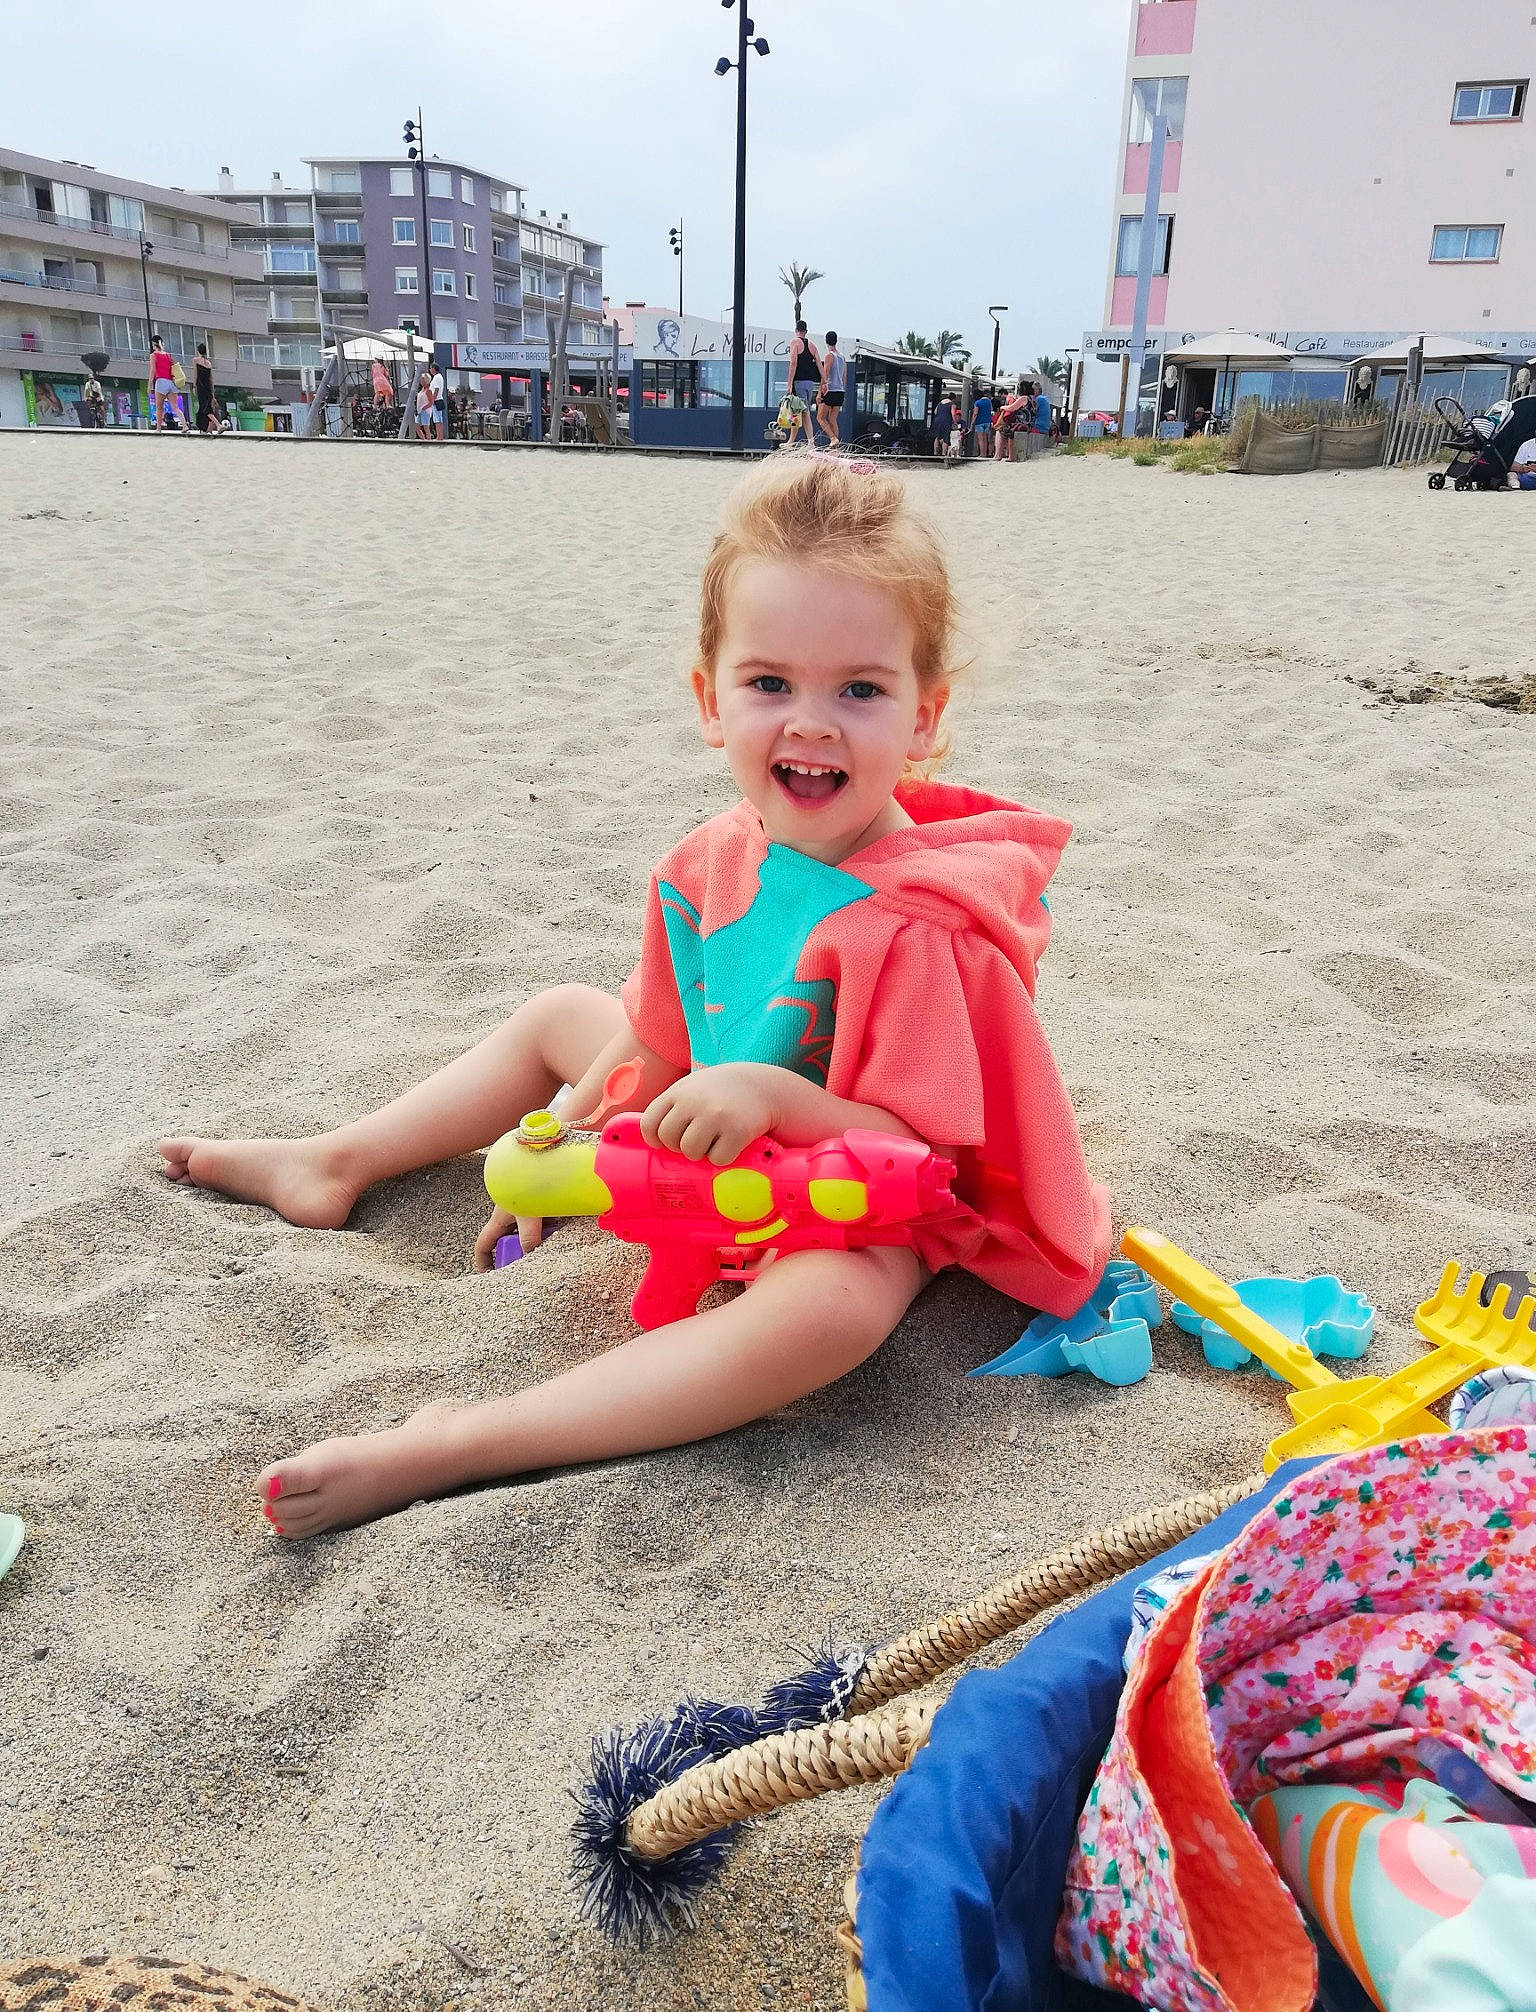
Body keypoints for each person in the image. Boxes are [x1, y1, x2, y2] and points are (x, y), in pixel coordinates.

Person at [159, 454, 1111, 1538]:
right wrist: (559, 1151)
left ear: (924, 718)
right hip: (708, 1132)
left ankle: (466, 1440)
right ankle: (338, 1159)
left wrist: (780, 1099)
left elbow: (924, 1155)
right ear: (711, 700)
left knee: (838, 1309)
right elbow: (653, 1048)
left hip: (852, 1192)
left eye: (860, 688)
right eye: (770, 683)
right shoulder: (704, 861)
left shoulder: (919, 923)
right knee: (561, 1014)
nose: (810, 722)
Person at [787, 321, 821, 445]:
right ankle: (791, 441)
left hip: (799, 381)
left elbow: (793, 363)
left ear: (796, 330)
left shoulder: (794, 342)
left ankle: (811, 442)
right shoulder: (812, 345)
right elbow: (818, 363)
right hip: (810, 382)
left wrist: (789, 382)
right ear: (806, 331)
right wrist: (824, 381)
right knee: (797, 410)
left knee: (804, 411)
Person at [148, 334, 185, 433]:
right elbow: (173, 367)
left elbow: (153, 370)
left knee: (159, 407)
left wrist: (150, 384)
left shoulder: (153, 355)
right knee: (175, 407)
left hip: (161, 382)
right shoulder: (167, 355)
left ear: (153, 344)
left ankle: (159, 428)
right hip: (171, 382)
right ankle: (185, 425)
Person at [817, 330, 847, 449]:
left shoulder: (829, 356)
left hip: (830, 391)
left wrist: (819, 392)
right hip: (840, 391)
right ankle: (835, 448)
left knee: (820, 417)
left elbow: (825, 375)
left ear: (826, 342)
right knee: (832, 419)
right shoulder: (842, 357)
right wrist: (842, 390)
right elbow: (844, 377)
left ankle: (833, 438)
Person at [192, 344, 216, 434]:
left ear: (198, 351)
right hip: (208, 388)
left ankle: (209, 426)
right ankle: (207, 428)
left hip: (201, 387)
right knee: (206, 407)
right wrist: (212, 392)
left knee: (203, 407)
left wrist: (194, 386)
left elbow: (195, 374)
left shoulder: (196, 360)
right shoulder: (209, 363)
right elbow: (211, 379)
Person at [969, 389, 993, 459]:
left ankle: (982, 454)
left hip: (979, 422)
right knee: (985, 438)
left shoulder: (977, 402)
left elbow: (975, 413)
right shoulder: (988, 401)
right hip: (987, 421)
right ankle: (985, 453)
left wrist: (971, 423)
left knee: (980, 438)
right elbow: (991, 410)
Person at [932, 393, 955, 459]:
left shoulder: (940, 403)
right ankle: (943, 453)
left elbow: (935, 411)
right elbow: (953, 414)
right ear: (953, 399)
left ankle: (935, 452)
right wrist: (954, 422)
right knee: (946, 437)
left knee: (937, 436)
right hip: (946, 420)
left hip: (937, 420)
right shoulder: (951, 404)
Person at [428, 357, 446, 443]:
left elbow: (436, 389)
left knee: (438, 419)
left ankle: (440, 436)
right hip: (437, 399)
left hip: (437, 400)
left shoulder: (437, 377)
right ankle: (439, 436)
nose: (430, 369)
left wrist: (432, 399)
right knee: (437, 419)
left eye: (431, 368)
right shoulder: (437, 377)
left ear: (434, 369)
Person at [414, 369, 434, 442]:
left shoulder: (428, 390)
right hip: (419, 411)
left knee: (426, 427)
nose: (420, 381)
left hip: (425, 411)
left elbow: (431, 402)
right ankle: (423, 439)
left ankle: (428, 439)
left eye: (422, 380)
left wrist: (424, 408)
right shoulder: (422, 389)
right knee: (417, 427)